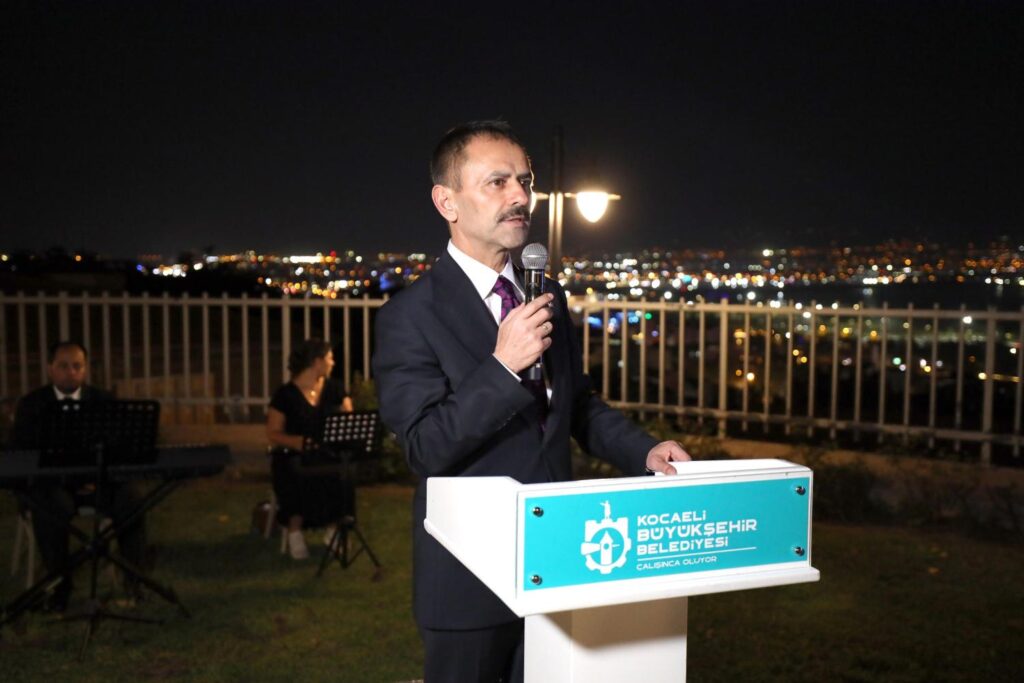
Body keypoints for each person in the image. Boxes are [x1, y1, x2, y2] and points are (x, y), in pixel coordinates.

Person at [373, 120, 692, 682]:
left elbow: (575, 405)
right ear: (447, 202)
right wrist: (502, 367)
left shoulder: (545, 292)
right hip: (468, 577)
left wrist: (643, 452)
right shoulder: (410, 317)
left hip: (560, 558)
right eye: (497, 182)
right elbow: (425, 447)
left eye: (525, 181)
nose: (520, 196)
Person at [11, 340, 147, 611]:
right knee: (50, 505)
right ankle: (59, 588)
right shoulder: (32, 405)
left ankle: (134, 581)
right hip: (54, 486)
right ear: (50, 369)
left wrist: (97, 477)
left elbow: (118, 449)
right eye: (63, 366)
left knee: (131, 497)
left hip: (96, 483)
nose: (71, 372)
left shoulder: (103, 401)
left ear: (85, 370)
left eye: (77, 366)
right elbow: (22, 454)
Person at [266, 338, 355, 560]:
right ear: (317, 362)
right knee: (292, 472)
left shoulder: (334, 389)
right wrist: (297, 442)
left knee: (342, 471)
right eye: (329, 358)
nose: (333, 363)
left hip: (327, 453)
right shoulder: (285, 395)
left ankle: (333, 529)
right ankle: (294, 531)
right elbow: (273, 433)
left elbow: (350, 420)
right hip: (295, 454)